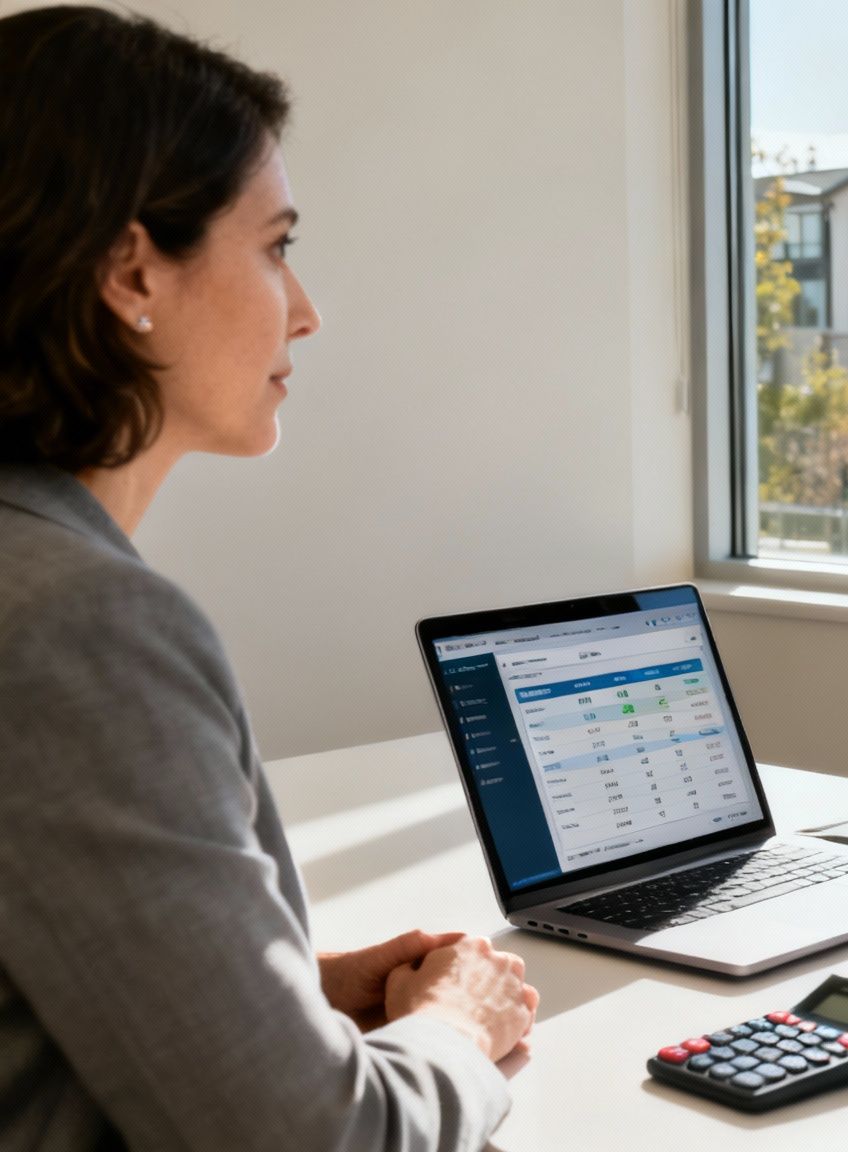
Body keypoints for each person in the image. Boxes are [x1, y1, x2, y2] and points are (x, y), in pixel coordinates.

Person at [0, 8, 538, 1149]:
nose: (306, 309)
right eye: (277, 244)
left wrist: (288, 989)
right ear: (132, 269)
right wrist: (456, 1026)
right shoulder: (78, 623)